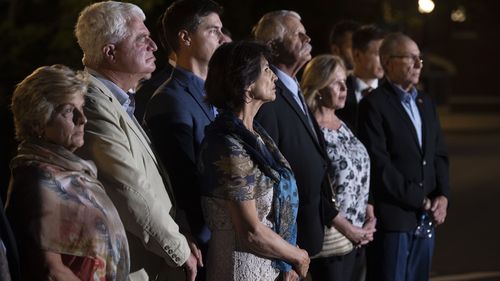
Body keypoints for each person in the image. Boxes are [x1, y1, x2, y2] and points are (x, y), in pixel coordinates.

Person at [74, 2, 198, 280]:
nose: (154, 46)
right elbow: (129, 187)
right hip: (134, 265)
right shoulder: (91, 103)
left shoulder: (116, 100)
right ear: (110, 51)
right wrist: (178, 248)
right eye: (142, 39)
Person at [199, 40, 309, 281]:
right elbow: (251, 232)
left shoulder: (256, 135)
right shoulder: (227, 143)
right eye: (267, 70)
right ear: (247, 84)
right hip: (242, 270)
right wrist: (298, 256)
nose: (275, 77)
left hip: (271, 267)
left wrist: (287, 262)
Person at [6, 64, 129, 280]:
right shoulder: (36, 180)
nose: (83, 119)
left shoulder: (72, 172)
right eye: (69, 111)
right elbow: (49, 269)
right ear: (39, 121)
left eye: (81, 108)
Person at [144, 1, 228, 279]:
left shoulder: (215, 94)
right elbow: (183, 180)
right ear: (185, 37)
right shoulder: (170, 100)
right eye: (213, 30)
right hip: (202, 240)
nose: (221, 37)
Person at [357, 32, 450, 281]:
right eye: (411, 58)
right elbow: (379, 163)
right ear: (388, 61)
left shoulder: (425, 102)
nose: (419, 64)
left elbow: (438, 152)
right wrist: (417, 198)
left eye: (420, 58)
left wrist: (442, 194)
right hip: (394, 220)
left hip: (426, 217)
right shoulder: (373, 105)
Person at [252, 10, 339, 260]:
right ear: (272, 46)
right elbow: (268, 170)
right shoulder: (267, 96)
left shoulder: (293, 87)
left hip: (309, 227)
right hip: (288, 236)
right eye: (298, 34)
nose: (307, 37)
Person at [301, 54, 376, 281]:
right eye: (336, 82)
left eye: (345, 81)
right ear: (319, 86)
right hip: (332, 239)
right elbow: (311, 187)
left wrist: (369, 212)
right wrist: (346, 227)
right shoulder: (310, 130)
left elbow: (360, 171)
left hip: (358, 237)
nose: (344, 87)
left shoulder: (345, 125)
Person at [336, 24, 386, 133]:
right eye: (378, 54)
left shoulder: (390, 92)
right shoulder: (338, 89)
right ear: (357, 55)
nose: (384, 60)